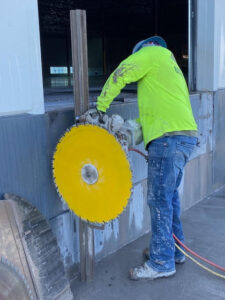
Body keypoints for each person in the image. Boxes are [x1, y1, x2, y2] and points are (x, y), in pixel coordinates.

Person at [96, 36, 198, 280]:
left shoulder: (151, 54)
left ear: (142, 50)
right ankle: (174, 251)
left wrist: (100, 108)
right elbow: (154, 118)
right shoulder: (170, 67)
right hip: (185, 137)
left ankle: (161, 261)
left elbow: (121, 73)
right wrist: (126, 133)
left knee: (158, 200)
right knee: (169, 198)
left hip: (167, 140)